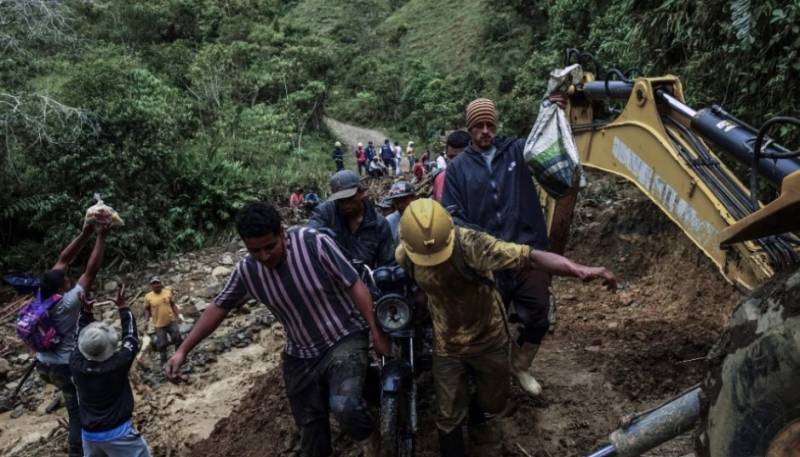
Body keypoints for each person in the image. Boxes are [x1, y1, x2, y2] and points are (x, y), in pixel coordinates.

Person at [166, 202, 390, 457]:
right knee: (310, 428)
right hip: (300, 352)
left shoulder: (313, 243)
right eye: (254, 251)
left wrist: (376, 330)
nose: (263, 256)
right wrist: (183, 350)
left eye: (269, 247)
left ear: (282, 233)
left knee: (344, 405)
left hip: (343, 335)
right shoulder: (247, 271)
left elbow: (354, 284)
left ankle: (373, 440)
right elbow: (218, 308)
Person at [396, 199, 616, 457]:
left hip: (488, 336)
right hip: (448, 342)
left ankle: (479, 416)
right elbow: (420, 287)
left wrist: (579, 269)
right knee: (447, 414)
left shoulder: (470, 245)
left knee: (494, 401)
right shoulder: (406, 256)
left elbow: (529, 256)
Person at [443, 97, 562, 396]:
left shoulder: (517, 151)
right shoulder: (457, 169)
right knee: (487, 325)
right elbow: (453, 214)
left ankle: (520, 364)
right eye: (479, 126)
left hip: (526, 250)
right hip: (487, 259)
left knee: (539, 312)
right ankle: (491, 382)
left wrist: (553, 108)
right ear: (469, 129)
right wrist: (479, 244)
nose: (486, 131)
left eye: (490, 125)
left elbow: (545, 142)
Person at [34, 223, 112, 457]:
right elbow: (91, 271)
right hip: (65, 367)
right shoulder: (69, 303)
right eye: (66, 278)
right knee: (79, 410)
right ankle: (80, 451)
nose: (69, 277)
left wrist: (85, 232)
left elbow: (63, 259)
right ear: (62, 286)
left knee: (75, 406)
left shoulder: (41, 294)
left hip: (43, 363)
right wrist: (101, 237)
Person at [71, 286, 151, 457]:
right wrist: (123, 307)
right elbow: (131, 337)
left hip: (89, 435)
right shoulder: (118, 364)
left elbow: (78, 336)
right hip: (119, 433)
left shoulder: (76, 363)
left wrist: (85, 311)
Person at [308, 170, 394, 268]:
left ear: (361, 193)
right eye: (340, 201)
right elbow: (309, 235)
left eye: (349, 198)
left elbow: (387, 262)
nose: (345, 205)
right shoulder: (326, 213)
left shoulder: (379, 224)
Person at [143, 276, 183, 365]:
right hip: (158, 325)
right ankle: (164, 363)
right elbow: (146, 309)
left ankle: (179, 358)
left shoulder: (167, 292)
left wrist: (179, 315)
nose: (156, 285)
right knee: (162, 344)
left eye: (157, 283)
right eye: (154, 284)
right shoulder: (148, 297)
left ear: (161, 283)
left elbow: (172, 304)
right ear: (151, 286)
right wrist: (146, 321)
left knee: (177, 339)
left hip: (171, 321)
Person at [432, 130, 470, 202]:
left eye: (460, 158)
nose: (454, 163)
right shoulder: (440, 179)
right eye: (451, 157)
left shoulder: (482, 181)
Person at [385, 181, 417, 245]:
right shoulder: (390, 221)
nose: (400, 205)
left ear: (414, 198)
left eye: (403, 200)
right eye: (396, 202)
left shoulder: (426, 215)